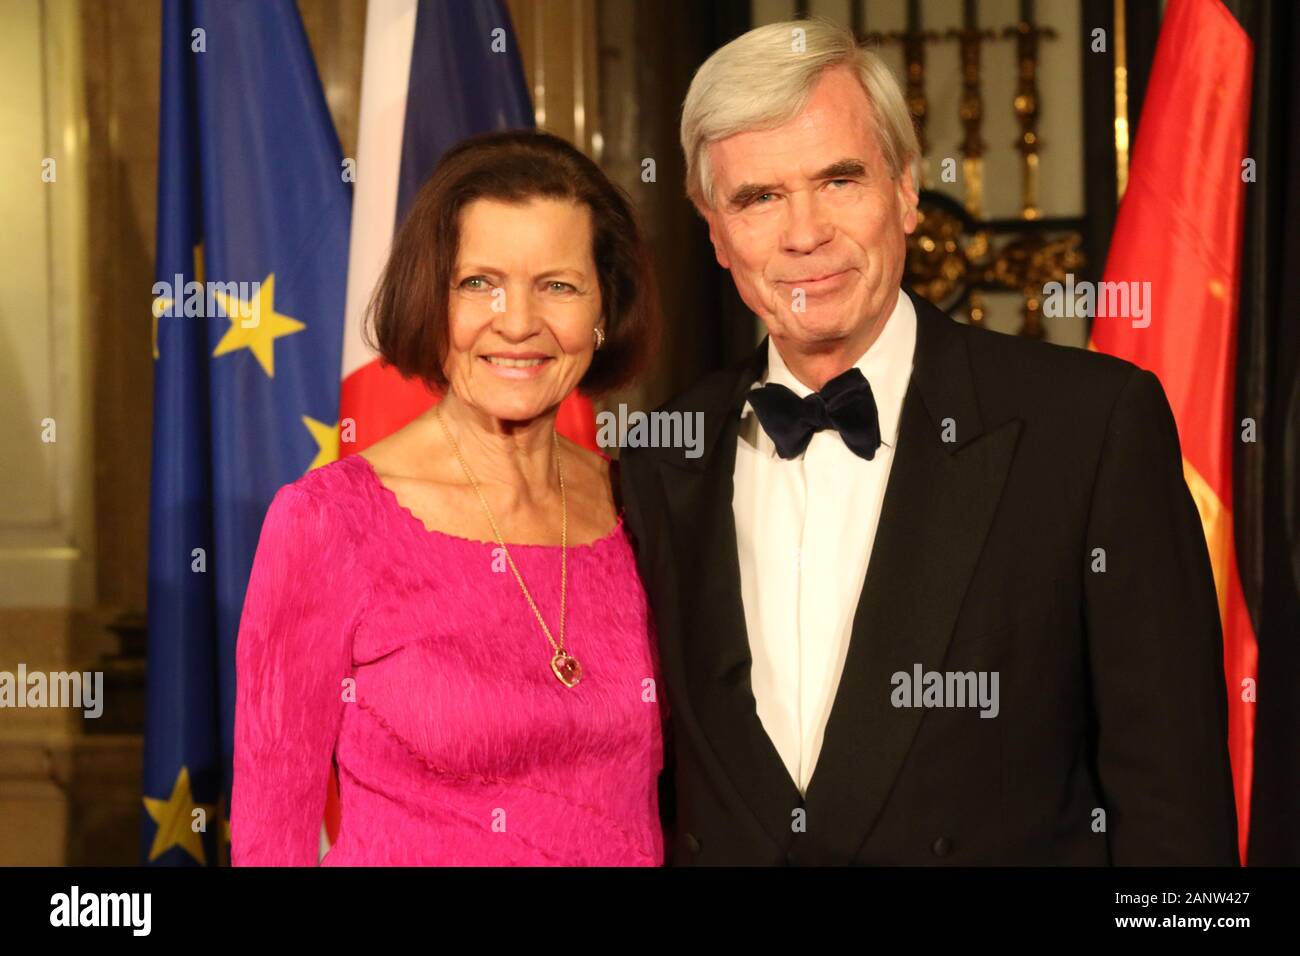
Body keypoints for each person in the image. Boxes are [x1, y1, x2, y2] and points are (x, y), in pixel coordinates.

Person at [618, 18, 1239, 865]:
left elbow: (1175, 811)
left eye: (839, 180)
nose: (804, 234)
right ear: (714, 229)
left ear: (907, 189)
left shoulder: (1090, 427)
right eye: (758, 198)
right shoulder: (658, 463)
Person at [231, 129, 664, 865]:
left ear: (603, 309)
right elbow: (271, 837)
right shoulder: (328, 524)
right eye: (478, 283)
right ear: (431, 302)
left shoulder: (646, 506)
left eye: (557, 285)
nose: (518, 321)